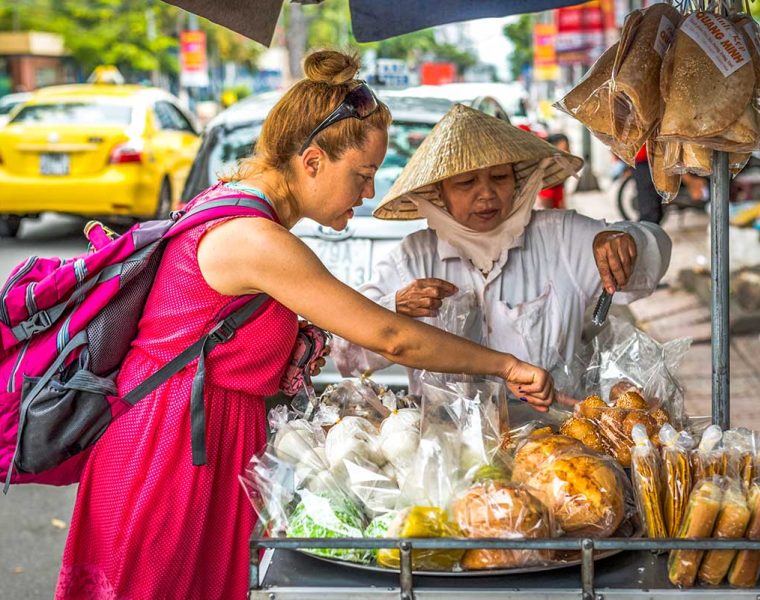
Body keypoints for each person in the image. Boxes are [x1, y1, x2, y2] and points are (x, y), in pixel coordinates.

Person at [55, 51, 555, 600]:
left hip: (202, 447)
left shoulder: (239, 211)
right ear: (313, 160)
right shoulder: (254, 239)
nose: (368, 194)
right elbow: (391, 338)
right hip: (169, 457)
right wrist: (506, 364)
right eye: (362, 176)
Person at [333, 104, 672, 395]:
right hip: (449, 451)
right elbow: (346, 356)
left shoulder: (561, 237)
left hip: (557, 448)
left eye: (499, 178)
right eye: (466, 183)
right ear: (439, 193)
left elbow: (652, 258)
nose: (486, 195)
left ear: (518, 182)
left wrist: (626, 241)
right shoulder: (412, 259)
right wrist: (395, 308)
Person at [537, 133, 571, 209]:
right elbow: (547, 210)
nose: (568, 152)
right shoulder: (547, 183)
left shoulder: (559, 177)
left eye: (568, 149)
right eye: (564, 149)